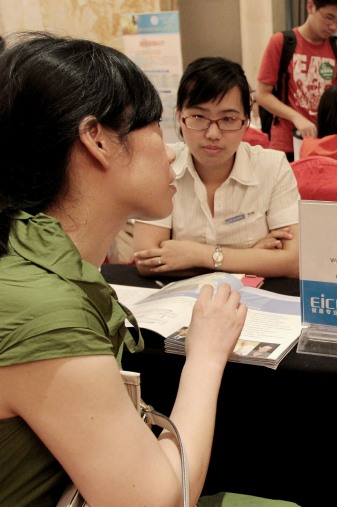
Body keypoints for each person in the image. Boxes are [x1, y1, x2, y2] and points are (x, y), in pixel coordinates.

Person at [0, 31, 297, 507]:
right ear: (97, 140)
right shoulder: (44, 307)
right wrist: (205, 354)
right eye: (159, 128)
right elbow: (158, 501)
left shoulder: (34, 257)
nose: (173, 151)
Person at [133, 56, 301, 279]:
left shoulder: (272, 166)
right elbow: (147, 260)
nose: (213, 134)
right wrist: (251, 258)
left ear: (245, 122)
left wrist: (200, 255)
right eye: (199, 117)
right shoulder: (162, 164)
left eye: (228, 119)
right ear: (179, 116)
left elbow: (293, 262)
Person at [256, 0, 337, 161]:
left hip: (327, 145)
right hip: (286, 143)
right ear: (310, 7)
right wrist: (296, 117)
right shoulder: (281, 42)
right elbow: (262, 95)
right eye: (328, 17)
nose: (333, 26)